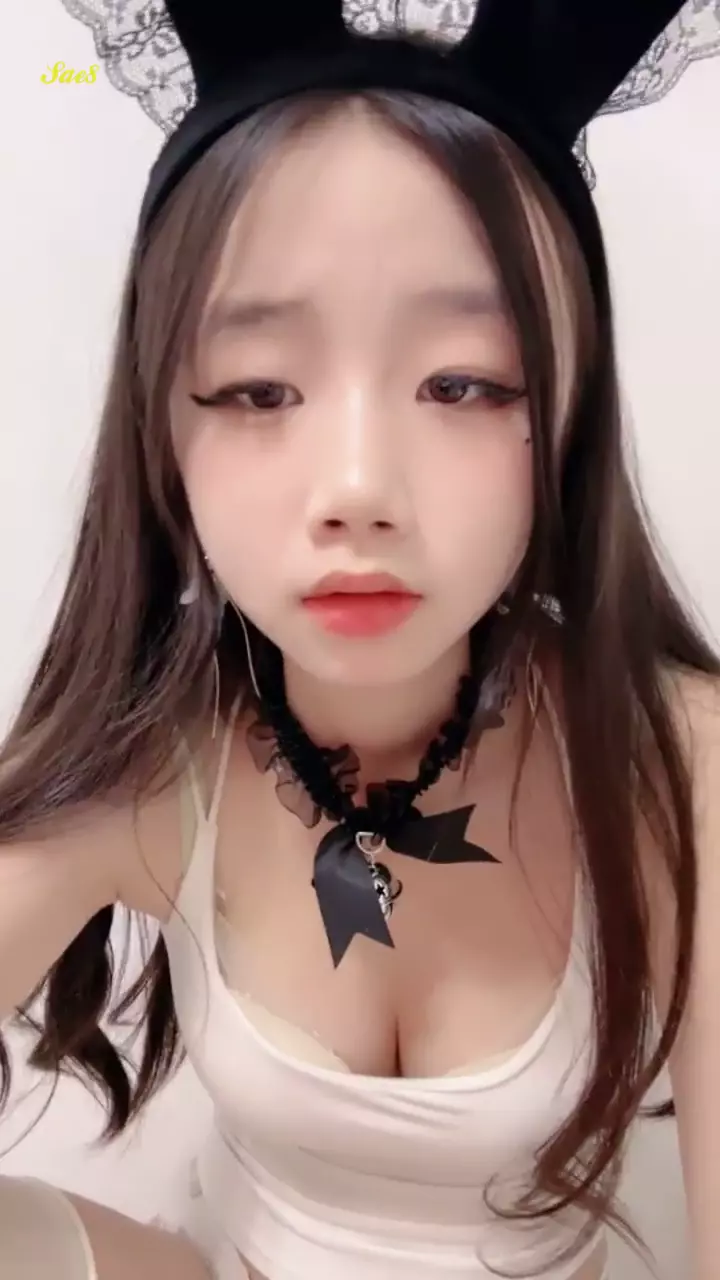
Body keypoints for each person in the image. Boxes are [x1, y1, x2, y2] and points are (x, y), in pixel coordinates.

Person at [1, 0, 718, 1277]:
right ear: (163, 435)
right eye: (258, 389)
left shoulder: (684, 771)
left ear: (567, 418)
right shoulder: (156, 762)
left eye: (463, 383)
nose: (356, 487)